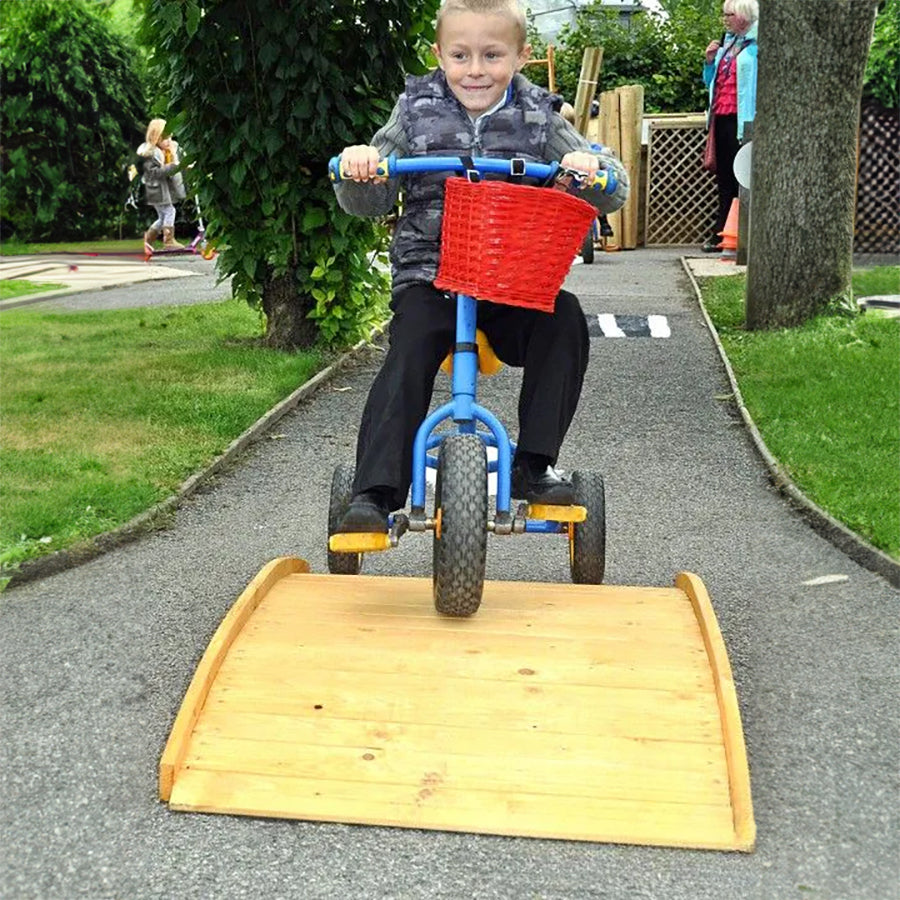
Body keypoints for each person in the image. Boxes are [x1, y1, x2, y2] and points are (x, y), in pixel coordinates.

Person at [332, 0, 629, 533]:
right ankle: (374, 492)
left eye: (492, 55)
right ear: (438, 55)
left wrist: (590, 169)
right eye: (460, 55)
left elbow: (612, 190)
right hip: (433, 277)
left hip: (512, 280)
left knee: (565, 318)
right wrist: (361, 172)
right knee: (410, 344)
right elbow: (369, 201)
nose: (475, 70)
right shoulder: (414, 111)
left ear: (520, 54)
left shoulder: (541, 115)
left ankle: (534, 464)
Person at [701, 0, 758, 253]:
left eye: (729, 14)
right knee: (724, 177)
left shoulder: (758, 45)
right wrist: (710, 61)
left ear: (744, 16)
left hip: (745, 120)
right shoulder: (728, 44)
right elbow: (710, 82)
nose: (724, 19)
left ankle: (745, 235)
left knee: (744, 178)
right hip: (722, 118)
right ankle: (723, 232)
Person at [137, 118, 185, 251]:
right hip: (156, 189)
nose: (169, 141)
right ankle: (169, 240)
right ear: (156, 138)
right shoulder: (151, 154)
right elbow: (153, 173)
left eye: (170, 137)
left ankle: (148, 240)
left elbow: (178, 161)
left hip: (161, 189)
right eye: (165, 138)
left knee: (163, 216)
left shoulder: (167, 151)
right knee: (170, 211)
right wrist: (171, 167)